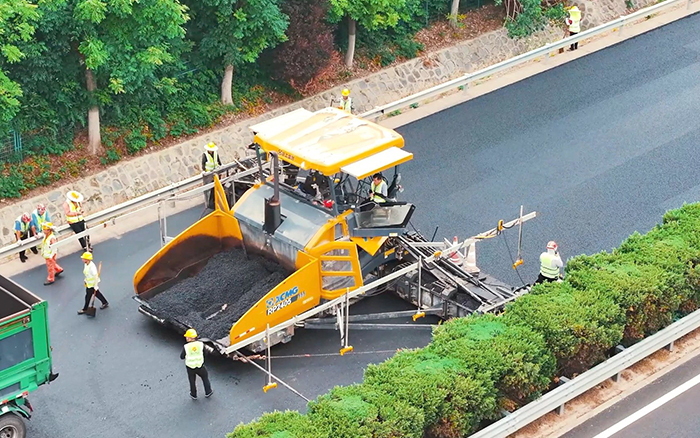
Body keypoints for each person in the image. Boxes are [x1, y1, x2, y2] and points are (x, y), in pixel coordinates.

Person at [180, 329, 213, 400]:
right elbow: (205, 353)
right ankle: (208, 392)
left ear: (191, 338)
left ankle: (193, 394)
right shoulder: (201, 344)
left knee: (192, 381)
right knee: (205, 378)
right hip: (200, 366)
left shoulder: (186, 347)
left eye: (187, 337)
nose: (186, 338)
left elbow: (182, 357)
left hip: (190, 367)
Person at [201, 142, 222, 208]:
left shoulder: (215, 153)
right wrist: (204, 171)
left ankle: (216, 200)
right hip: (208, 174)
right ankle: (209, 203)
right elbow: (203, 163)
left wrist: (221, 167)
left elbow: (218, 161)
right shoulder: (205, 155)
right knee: (209, 188)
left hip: (216, 172)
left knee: (216, 187)